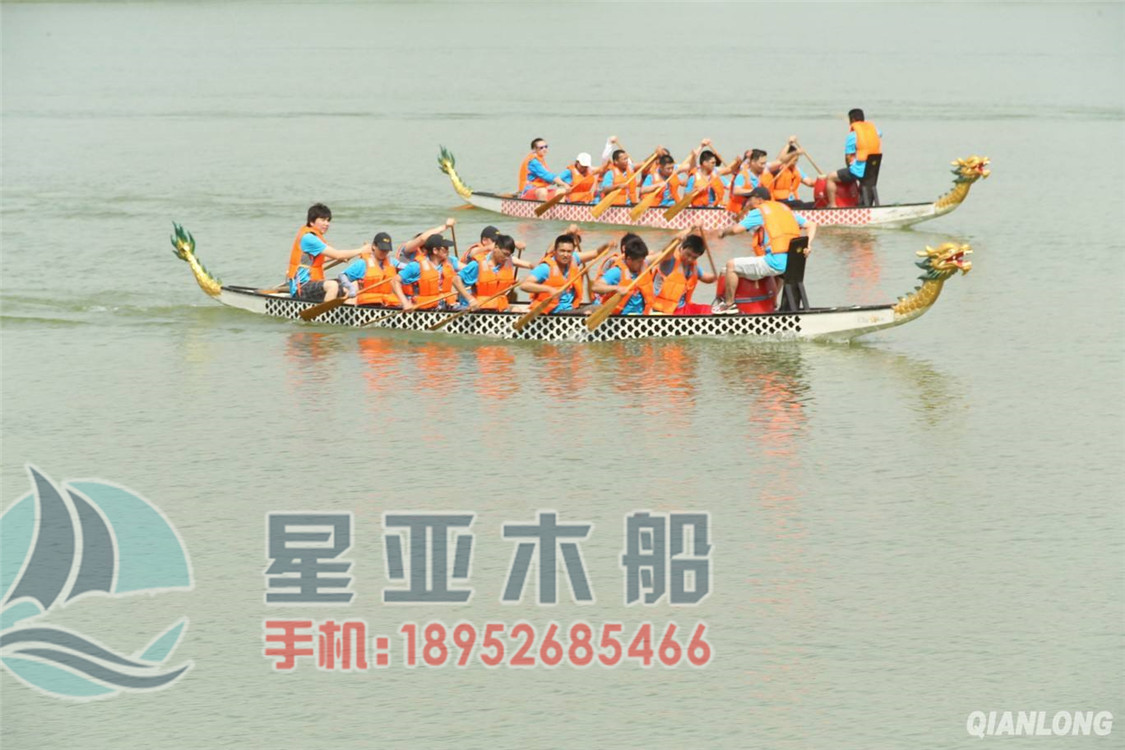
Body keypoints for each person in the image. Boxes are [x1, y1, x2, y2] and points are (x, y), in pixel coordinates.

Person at [713, 187, 817, 313]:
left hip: (775, 263)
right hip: (791, 264)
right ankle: (773, 304)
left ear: (759, 199)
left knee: (731, 266)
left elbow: (736, 230)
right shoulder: (784, 209)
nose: (748, 202)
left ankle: (729, 305)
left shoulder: (760, 211)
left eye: (750, 198)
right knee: (777, 271)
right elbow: (811, 224)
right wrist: (808, 244)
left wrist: (723, 232)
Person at [286, 203, 369, 301]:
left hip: (313, 283)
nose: (327, 224)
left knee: (350, 287)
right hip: (301, 287)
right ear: (311, 222)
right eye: (323, 220)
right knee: (332, 285)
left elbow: (322, 259)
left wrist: (343, 257)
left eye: (328, 220)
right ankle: (325, 311)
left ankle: (345, 310)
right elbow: (338, 255)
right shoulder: (309, 238)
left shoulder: (315, 237)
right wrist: (361, 250)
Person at [519, 233, 605, 313]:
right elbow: (524, 285)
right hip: (552, 311)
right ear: (555, 251)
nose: (565, 255)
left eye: (569, 251)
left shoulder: (573, 259)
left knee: (600, 308)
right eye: (562, 251)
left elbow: (596, 253)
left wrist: (608, 245)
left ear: (573, 252)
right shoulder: (546, 268)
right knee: (595, 310)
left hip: (569, 308)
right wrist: (548, 289)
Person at [399, 233, 476, 311]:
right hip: (425, 308)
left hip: (447, 305)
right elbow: (394, 282)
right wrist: (405, 302)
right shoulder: (416, 266)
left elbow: (463, 274)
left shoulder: (449, 263)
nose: (448, 250)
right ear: (435, 250)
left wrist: (471, 299)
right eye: (445, 248)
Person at [824, 108, 883, 207]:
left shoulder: (852, 136)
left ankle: (832, 205)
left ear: (852, 120)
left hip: (859, 171)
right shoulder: (875, 131)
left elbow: (848, 157)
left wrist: (849, 167)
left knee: (830, 177)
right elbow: (880, 133)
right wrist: (864, 125)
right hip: (873, 169)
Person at [652, 230, 716, 315]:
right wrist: (674, 240)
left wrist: (719, 276)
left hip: (681, 308)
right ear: (681, 248)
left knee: (711, 310)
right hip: (661, 309)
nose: (690, 259)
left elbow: (707, 278)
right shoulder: (669, 261)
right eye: (688, 254)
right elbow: (666, 253)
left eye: (694, 257)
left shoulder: (693, 267)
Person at [340, 231, 411, 308]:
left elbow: (409, 268)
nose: (384, 252)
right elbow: (342, 275)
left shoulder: (393, 262)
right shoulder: (362, 263)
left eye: (386, 250)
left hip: (389, 304)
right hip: (368, 304)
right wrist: (351, 288)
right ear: (374, 246)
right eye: (382, 249)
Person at [592, 235, 655, 315]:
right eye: (639, 261)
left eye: (643, 260)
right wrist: (616, 288)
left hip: (641, 316)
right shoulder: (617, 272)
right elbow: (595, 287)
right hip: (622, 317)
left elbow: (664, 254)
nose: (642, 263)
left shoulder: (643, 264)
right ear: (629, 259)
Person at [459, 233, 520, 310]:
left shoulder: (505, 266)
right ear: (496, 248)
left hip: (500, 308)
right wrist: (470, 299)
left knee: (516, 309)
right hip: (480, 310)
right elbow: (456, 280)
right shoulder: (478, 265)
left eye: (509, 255)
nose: (507, 258)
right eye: (505, 254)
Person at [761, 138, 819, 208]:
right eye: (793, 159)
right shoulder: (777, 168)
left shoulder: (797, 170)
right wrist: (789, 144)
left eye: (796, 159)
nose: (795, 161)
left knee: (816, 204)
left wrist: (823, 181)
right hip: (778, 201)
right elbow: (779, 159)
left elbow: (809, 182)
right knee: (798, 203)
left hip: (792, 200)